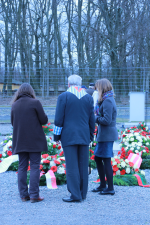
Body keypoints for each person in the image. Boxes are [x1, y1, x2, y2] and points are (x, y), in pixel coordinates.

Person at [54, 75, 95, 202]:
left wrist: (56, 136)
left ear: (68, 84)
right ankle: (83, 194)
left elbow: (58, 119)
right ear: (80, 83)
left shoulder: (63, 97)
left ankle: (75, 195)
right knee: (83, 165)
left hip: (68, 135)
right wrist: (90, 135)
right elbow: (91, 119)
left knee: (72, 166)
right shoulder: (88, 97)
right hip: (83, 135)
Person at [11, 83, 48, 203]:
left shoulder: (14, 105)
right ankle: (34, 195)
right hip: (34, 140)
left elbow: (13, 122)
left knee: (22, 166)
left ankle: (23, 195)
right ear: (31, 91)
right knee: (34, 166)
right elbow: (44, 120)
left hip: (20, 140)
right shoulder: (35, 103)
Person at [92, 78, 118, 195]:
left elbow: (106, 120)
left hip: (107, 134)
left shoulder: (107, 101)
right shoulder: (107, 99)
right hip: (104, 134)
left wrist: (94, 118)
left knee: (106, 160)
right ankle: (103, 185)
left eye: (97, 87)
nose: (96, 90)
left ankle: (110, 188)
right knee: (98, 158)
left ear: (102, 87)